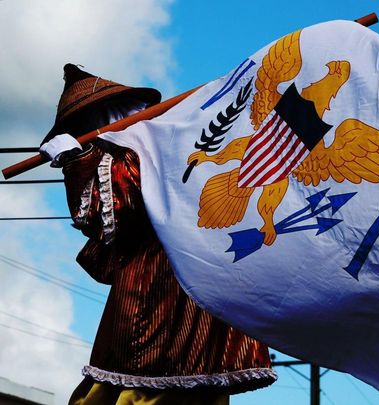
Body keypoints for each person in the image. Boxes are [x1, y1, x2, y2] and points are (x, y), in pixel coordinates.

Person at [40, 64, 277, 405]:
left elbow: (111, 211)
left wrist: (79, 161)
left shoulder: (144, 150)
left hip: (164, 287)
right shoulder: (155, 145)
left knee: (150, 382)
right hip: (179, 283)